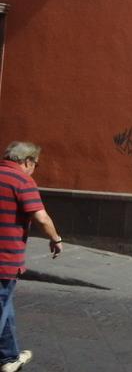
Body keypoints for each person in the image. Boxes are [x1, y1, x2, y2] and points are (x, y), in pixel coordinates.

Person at [0, 142, 63, 372]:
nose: (34, 168)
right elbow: (42, 218)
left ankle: (9, 358)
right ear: (27, 161)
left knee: (5, 308)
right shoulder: (22, 180)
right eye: (35, 164)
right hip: (5, 260)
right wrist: (56, 239)